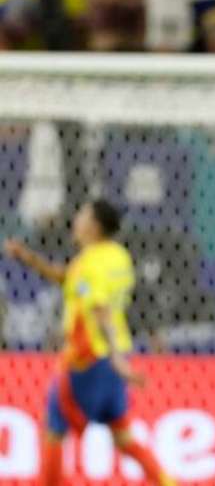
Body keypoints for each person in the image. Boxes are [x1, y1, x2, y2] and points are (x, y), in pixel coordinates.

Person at [3, 200, 175, 486]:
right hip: (113, 362)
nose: (75, 219)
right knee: (123, 438)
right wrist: (28, 258)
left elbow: (99, 310)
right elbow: (67, 278)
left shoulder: (89, 264)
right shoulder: (117, 257)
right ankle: (168, 482)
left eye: (81, 214)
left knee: (54, 428)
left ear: (93, 226)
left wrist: (118, 362)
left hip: (89, 359)